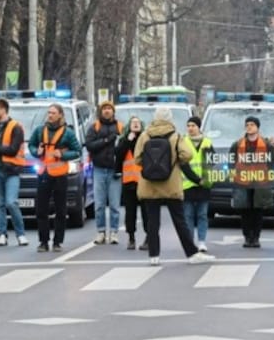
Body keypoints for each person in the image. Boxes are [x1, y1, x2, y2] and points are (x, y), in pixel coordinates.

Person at [134, 106, 214, 266]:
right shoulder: (175, 136)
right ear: (170, 119)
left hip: (150, 184)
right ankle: (191, 253)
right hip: (171, 184)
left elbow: (137, 158)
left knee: (153, 222)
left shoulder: (145, 135)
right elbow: (188, 155)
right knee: (180, 220)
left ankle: (154, 255)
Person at [28, 103, 82, 252]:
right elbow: (31, 145)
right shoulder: (40, 130)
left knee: (60, 210)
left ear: (60, 115)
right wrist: (36, 151)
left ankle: (57, 241)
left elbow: (78, 151)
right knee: (41, 210)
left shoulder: (68, 133)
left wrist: (63, 155)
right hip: (43, 174)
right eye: (49, 112)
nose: (50, 115)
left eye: (53, 113)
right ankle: (43, 242)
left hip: (60, 175)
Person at [0, 98, 29, 247]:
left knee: (11, 202)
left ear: (3, 110)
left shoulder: (16, 127)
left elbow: (12, 150)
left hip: (12, 171)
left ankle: (21, 234)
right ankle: (2, 234)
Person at [229, 116, 274, 248]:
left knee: (258, 210)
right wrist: (234, 174)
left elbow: (272, 162)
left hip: (260, 182)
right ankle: (247, 236)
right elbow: (231, 161)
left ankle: (256, 237)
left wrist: (268, 175)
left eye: (252, 125)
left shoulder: (266, 145)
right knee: (245, 210)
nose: (249, 127)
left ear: (257, 127)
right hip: (243, 182)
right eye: (247, 124)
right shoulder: (237, 144)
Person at [85, 100, 123, 245]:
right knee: (99, 204)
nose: (107, 111)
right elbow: (90, 145)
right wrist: (107, 140)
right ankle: (100, 231)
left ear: (113, 111)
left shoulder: (120, 127)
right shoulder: (94, 127)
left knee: (114, 204)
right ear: (100, 112)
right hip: (99, 169)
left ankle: (114, 232)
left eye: (109, 108)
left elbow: (124, 146)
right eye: (104, 109)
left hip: (115, 170)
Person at [180, 116, 214, 253]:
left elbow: (212, 161)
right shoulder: (183, 142)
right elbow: (183, 164)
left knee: (202, 214)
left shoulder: (207, 142)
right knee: (188, 215)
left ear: (199, 127)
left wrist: (205, 179)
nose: (190, 128)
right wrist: (196, 179)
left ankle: (201, 241)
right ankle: (190, 242)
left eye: (193, 125)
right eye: (188, 125)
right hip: (188, 184)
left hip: (204, 185)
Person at [115, 115, 149, 250]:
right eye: (133, 122)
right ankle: (131, 238)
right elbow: (118, 155)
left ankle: (148, 238)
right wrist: (127, 141)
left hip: (144, 181)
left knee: (146, 212)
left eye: (138, 122)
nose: (135, 124)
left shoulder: (146, 139)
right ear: (129, 125)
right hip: (129, 181)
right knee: (130, 212)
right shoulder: (124, 140)